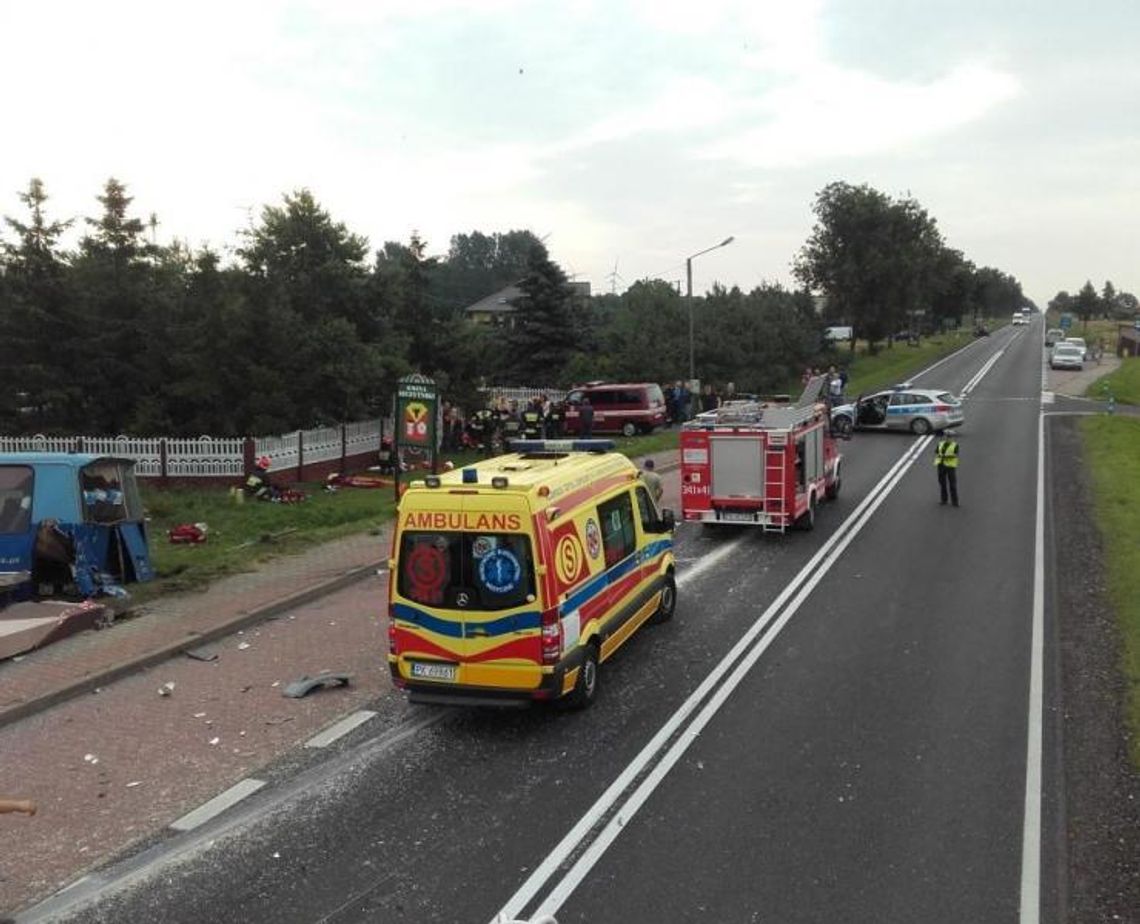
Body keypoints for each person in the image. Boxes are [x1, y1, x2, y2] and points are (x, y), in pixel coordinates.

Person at [934, 433, 960, 507]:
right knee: (942, 484)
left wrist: (946, 456)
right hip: (941, 466)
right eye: (946, 437)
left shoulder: (955, 445)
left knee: (952, 485)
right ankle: (944, 500)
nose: (948, 438)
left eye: (949, 437)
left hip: (950, 467)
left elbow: (956, 455)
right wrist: (940, 456)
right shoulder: (940, 444)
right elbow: (936, 452)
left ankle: (955, 502)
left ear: (952, 438)